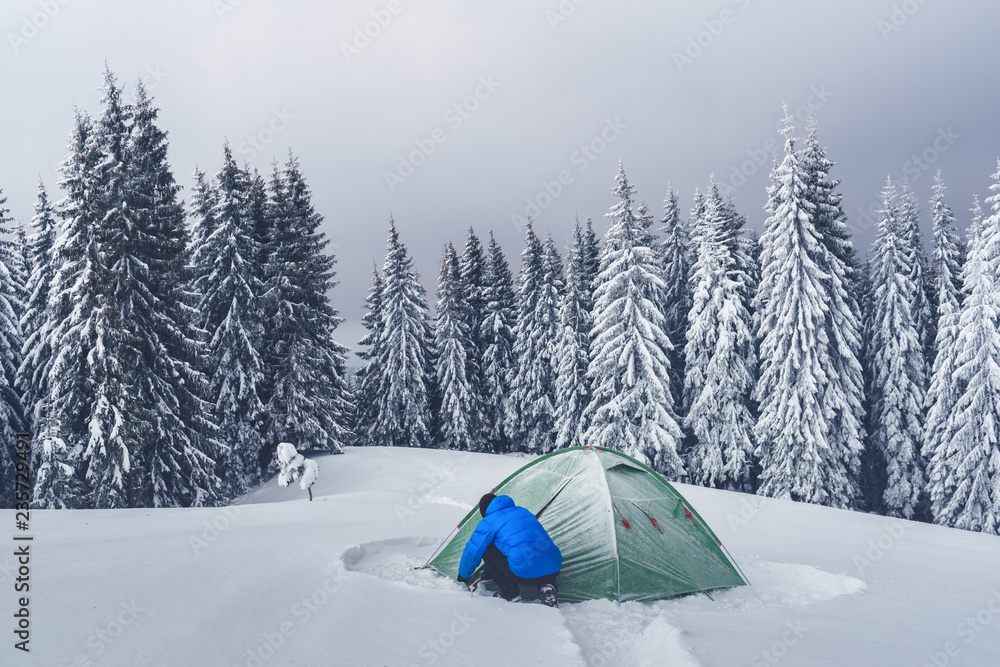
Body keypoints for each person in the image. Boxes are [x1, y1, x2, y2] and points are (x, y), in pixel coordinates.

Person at [456, 493, 562, 607]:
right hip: (554, 567)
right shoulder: (523, 511)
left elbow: (473, 551)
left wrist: (463, 575)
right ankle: (547, 587)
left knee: (487, 549)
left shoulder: (489, 521)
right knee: (534, 546)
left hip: (523, 573)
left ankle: (511, 593)